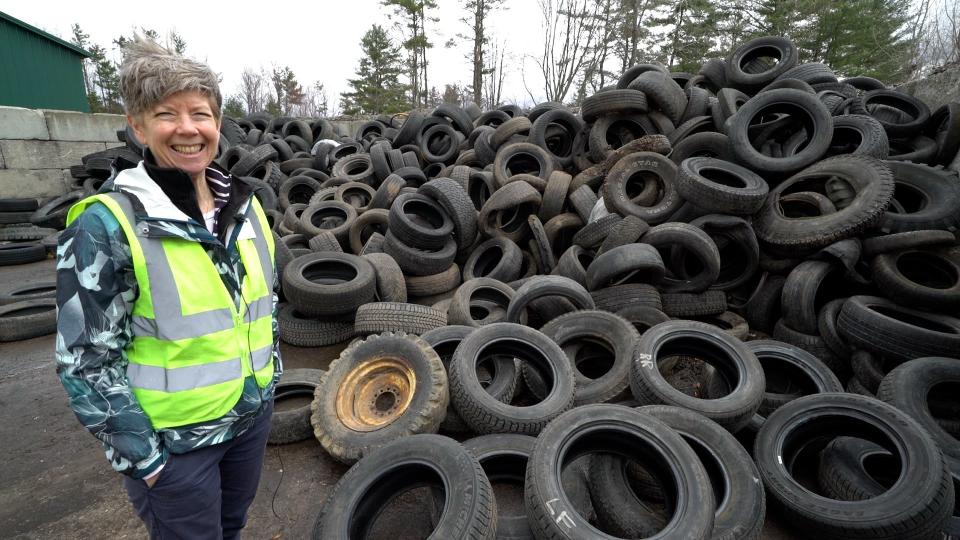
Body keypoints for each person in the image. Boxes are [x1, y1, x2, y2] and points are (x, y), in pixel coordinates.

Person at [54, 35, 281, 539]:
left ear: (217, 123)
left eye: (199, 114)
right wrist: (146, 459)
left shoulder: (246, 208)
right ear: (137, 126)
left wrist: (268, 387)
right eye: (166, 115)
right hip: (175, 449)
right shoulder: (107, 225)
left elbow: (262, 308)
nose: (187, 129)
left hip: (248, 424)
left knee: (230, 528)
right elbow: (84, 360)